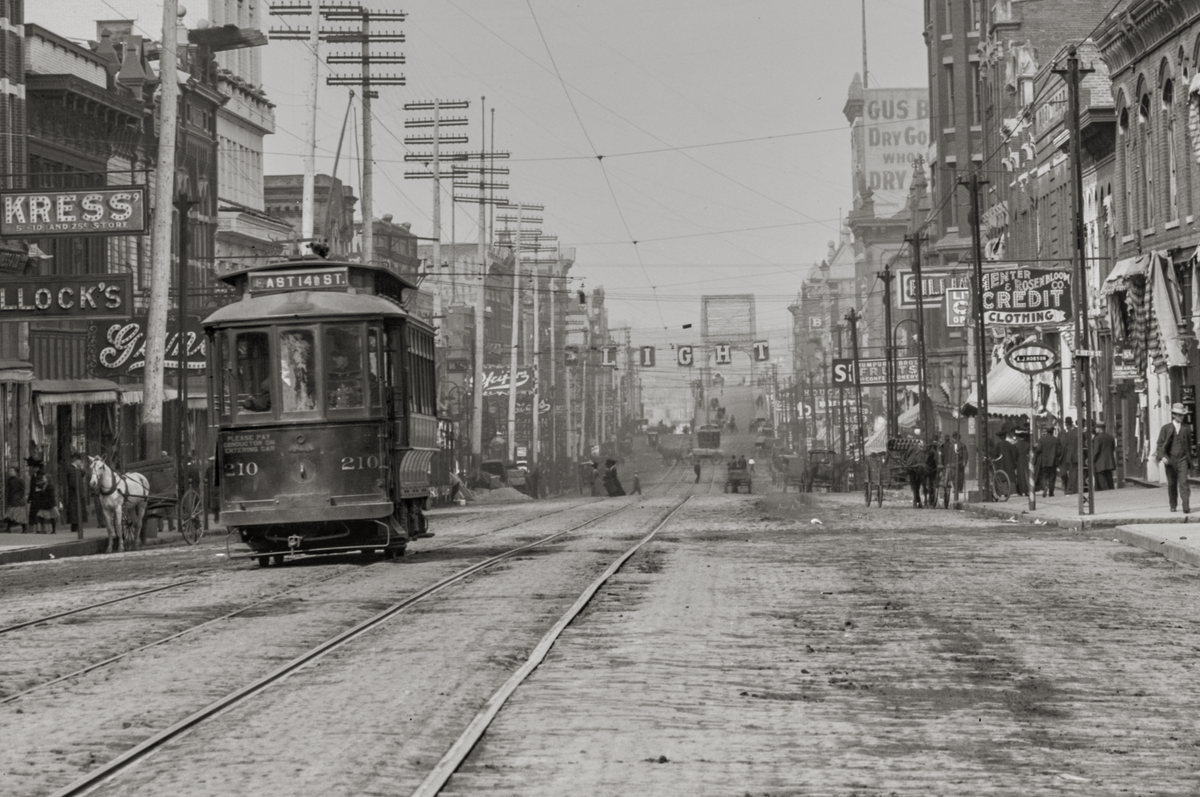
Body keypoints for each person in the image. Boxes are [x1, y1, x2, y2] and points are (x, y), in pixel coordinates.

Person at [1155, 403, 1194, 513]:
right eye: (1179, 415)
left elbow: (1189, 445)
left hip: (1183, 459)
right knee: (1172, 483)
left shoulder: (1186, 428)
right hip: (1170, 460)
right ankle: (1173, 505)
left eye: (1183, 415)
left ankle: (1186, 506)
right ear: (1173, 415)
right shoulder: (1166, 428)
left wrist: (1189, 458)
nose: (1182, 417)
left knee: (1184, 482)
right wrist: (1162, 457)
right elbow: (1160, 444)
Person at [1034, 423, 1062, 497]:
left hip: (1044, 461)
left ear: (1046, 431)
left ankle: (1044, 487)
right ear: (1053, 431)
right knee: (1052, 477)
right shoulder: (1056, 440)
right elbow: (1059, 452)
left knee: (1044, 475)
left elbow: (1038, 449)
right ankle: (1051, 492)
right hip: (1053, 461)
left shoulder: (1041, 439)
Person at [65, 452, 89, 533]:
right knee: (75, 511)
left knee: (78, 511)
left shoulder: (77, 469)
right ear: (77, 460)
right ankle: (75, 527)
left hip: (78, 494)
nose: (81, 462)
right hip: (74, 494)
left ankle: (76, 526)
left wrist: (82, 469)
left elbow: (83, 474)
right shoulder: (71, 469)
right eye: (80, 461)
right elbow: (72, 482)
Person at [29, 470, 58, 534]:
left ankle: (53, 530)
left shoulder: (50, 486)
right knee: (40, 516)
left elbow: (51, 496)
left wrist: (49, 503)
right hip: (44, 504)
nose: (42, 478)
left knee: (52, 517)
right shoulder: (44, 485)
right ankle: (42, 530)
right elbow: (38, 485)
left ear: (47, 479)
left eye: (44, 477)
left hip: (49, 505)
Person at [1093, 421, 1117, 491]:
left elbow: (1096, 451)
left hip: (1100, 464)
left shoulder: (1097, 438)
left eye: (1096, 428)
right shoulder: (1110, 437)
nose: (1095, 429)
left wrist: (1092, 460)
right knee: (1110, 481)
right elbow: (1113, 449)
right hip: (1109, 463)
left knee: (1102, 484)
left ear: (1100, 429)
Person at [1060, 417, 1079, 494]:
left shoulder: (1066, 433)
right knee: (1073, 473)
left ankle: (1071, 489)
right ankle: (1073, 488)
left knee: (1072, 473)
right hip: (1073, 456)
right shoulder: (1077, 431)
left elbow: (1065, 445)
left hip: (1069, 456)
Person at [4, 466, 26, 533]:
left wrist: (19, 497)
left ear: (15, 472)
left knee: (18, 515)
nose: (9, 472)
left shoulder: (19, 480)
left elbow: (22, 490)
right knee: (10, 514)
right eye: (9, 471)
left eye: (11, 471)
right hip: (11, 499)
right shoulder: (9, 480)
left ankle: (24, 528)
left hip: (17, 500)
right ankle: (8, 528)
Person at [1012, 427, 1031, 496]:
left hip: (1019, 461)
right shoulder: (1028, 444)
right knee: (1026, 475)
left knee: (1020, 475)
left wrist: (1015, 462)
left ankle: (1022, 491)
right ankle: (1027, 490)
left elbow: (1014, 455)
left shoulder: (1016, 445)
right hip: (1026, 460)